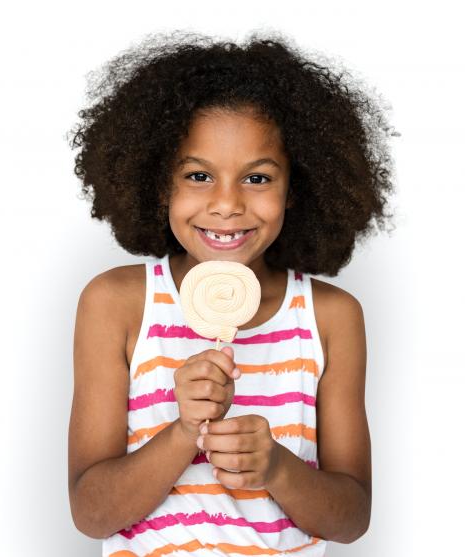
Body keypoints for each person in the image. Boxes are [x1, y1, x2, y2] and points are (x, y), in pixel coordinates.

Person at [66, 29, 398, 556]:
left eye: (258, 179)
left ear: (298, 187)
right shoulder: (117, 304)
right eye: (198, 175)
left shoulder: (331, 317)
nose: (226, 204)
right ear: (159, 183)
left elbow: (351, 517)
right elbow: (91, 511)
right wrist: (182, 433)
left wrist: (275, 466)